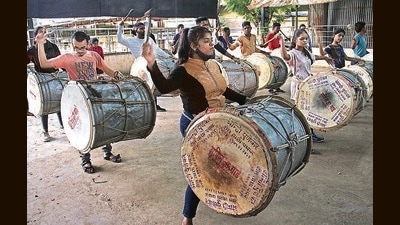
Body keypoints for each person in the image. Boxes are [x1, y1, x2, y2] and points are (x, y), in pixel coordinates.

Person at [141, 26, 248, 225]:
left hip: (218, 122)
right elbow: (163, 87)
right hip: (195, 126)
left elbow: (223, 90)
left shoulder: (213, 65)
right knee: (201, 171)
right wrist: (151, 63)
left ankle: (217, 195)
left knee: (224, 163)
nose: (212, 45)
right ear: (193, 46)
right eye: (206, 41)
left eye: (211, 40)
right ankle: (187, 217)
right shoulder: (183, 70)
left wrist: (245, 100)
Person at [35, 30, 123, 173]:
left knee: (104, 123)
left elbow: (107, 70)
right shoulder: (67, 58)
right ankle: (86, 161)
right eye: (76, 47)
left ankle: (107, 152)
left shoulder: (94, 56)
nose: (79, 51)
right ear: (72, 45)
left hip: (95, 96)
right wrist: (40, 44)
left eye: (82, 47)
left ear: (88, 44)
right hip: (79, 100)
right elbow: (44, 64)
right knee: (83, 129)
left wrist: (119, 77)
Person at [278, 29, 333, 143]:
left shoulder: (306, 52)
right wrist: (281, 42)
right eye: (301, 39)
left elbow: (314, 57)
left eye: (306, 38)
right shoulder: (293, 53)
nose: (304, 41)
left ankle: (309, 134)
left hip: (308, 84)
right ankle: (301, 135)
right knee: (302, 111)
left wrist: (325, 58)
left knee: (309, 110)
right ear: (295, 40)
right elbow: (285, 56)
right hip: (299, 85)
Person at [117, 21, 169, 112]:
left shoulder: (149, 40)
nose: (144, 30)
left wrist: (169, 57)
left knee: (152, 85)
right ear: (135, 30)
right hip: (139, 67)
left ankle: (154, 105)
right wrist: (120, 27)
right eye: (141, 28)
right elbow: (120, 39)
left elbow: (158, 50)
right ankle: (145, 106)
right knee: (142, 88)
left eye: (144, 28)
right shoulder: (131, 41)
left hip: (149, 64)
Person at [27, 26, 64, 142]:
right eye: (40, 32)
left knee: (60, 102)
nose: (43, 34)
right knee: (44, 105)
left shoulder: (53, 47)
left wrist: (67, 75)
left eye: (44, 32)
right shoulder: (32, 50)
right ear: (36, 36)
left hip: (56, 78)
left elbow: (61, 60)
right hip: (42, 81)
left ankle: (63, 125)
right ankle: (45, 131)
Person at [261, 22, 285, 94]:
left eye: (279, 28)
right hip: (272, 55)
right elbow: (265, 46)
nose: (278, 30)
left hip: (277, 54)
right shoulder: (270, 35)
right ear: (273, 28)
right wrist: (262, 45)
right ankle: (271, 89)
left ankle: (277, 87)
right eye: (277, 28)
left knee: (279, 71)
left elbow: (280, 45)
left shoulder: (278, 36)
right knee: (273, 72)